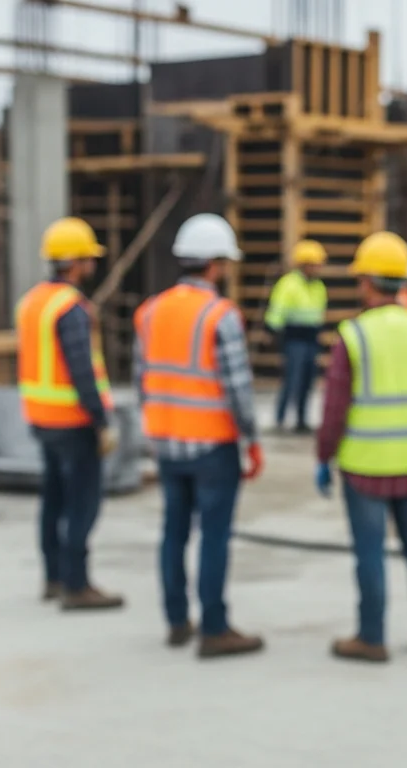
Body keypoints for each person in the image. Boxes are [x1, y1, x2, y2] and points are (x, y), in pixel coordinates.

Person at [315, 231, 407, 663]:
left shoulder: (353, 336)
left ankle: (371, 637)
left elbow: (335, 407)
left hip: (365, 467)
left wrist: (323, 456)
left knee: (370, 552)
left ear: (367, 282)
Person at [135, 213, 267, 659]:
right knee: (213, 536)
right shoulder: (220, 316)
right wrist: (250, 439)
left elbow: (142, 379)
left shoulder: (150, 312)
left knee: (173, 531)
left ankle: (176, 620)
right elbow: (238, 389)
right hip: (212, 445)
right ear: (214, 264)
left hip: (168, 443)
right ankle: (214, 627)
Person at [15, 216, 123, 612]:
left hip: (41, 418)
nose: (93, 264)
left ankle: (53, 577)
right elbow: (81, 369)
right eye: (89, 257)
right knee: (81, 504)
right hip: (73, 422)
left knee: (53, 501)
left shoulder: (32, 302)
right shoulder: (71, 308)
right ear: (76, 261)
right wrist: (101, 420)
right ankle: (77, 585)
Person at [265, 239, 328, 433]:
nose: (318, 268)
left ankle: (301, 420)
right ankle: (280, 420)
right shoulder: (289, 284)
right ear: (305, 264)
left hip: (311, 338)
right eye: (315, 264)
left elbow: (318, 313)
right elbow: (277, 309)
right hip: (294, 339)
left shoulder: (318, 286)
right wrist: (273, 331)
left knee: (307, 381)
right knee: (292, 380)